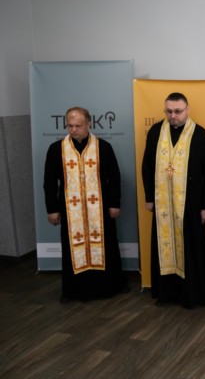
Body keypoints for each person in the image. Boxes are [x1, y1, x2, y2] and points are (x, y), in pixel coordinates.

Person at [44, 107, 128, 302]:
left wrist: (115, 203)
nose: (73, 130)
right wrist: (52, 209)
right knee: (72, 249)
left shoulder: (103, 147)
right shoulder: (56, 149)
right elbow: (49, 181)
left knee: (107, 245)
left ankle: (111, 286)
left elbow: (114, 177)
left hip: (101, 209)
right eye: (70, 126)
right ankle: (72, 291)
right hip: (70, 210)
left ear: (89, 124)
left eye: (78, 126)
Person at [142, 92, 205, 308]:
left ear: (187, 110)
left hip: (191, 204)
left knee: (191, 249)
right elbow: (147, 166)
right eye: (169, 111)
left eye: (177, 111)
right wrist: (149, 197)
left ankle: (192, 296)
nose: (173, 116)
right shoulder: (156, 132)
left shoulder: (200, 135)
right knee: (164, 246)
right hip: (162, 202)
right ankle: (166, 294)